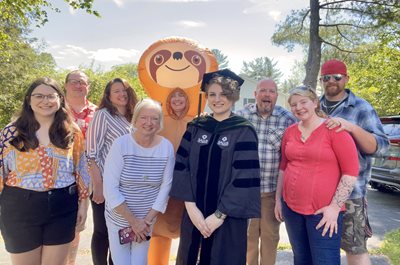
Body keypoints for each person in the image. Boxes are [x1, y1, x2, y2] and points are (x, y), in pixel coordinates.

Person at [170, 69, 261, 265]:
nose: (217, 99)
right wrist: (191, 207)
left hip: (227, 218)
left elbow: (244, 177)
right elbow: (181, 166)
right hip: (194, 214)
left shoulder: (243, 131)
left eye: (223, 94)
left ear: (234, 97)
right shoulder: (195, 127)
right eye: (212, 94)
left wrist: (218, 216)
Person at [0, 77, 90, 265]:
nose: (45, 101)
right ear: (29, 100)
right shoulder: (11, 132)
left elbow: (80, 168)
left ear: (60, 99)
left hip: (62, 206)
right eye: (39, 96)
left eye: (51, 96)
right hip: (20, 207)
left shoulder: (71, 131)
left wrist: (83, 204)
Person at [274, 85, 359, 265]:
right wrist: (278, 201)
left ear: (315, 103)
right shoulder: (290, 132)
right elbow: (283, 166)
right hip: (291, 209)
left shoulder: (334, 130)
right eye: (294, 104)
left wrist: (334, 208)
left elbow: (350, 172)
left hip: (323, 213)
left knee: (325, 261)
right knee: (301, 259)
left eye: (303, 102)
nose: (298, 107)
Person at [319, 59, 389, 265]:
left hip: (351, 194)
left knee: (355, 250)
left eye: (337, 77)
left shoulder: (361, 108)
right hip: (319, 194)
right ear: (321, 80)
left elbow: (382, 147)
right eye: (326, 77)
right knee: (322, 250)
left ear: (346, 78)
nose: (331, 81)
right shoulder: (314, 107)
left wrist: (351, 127)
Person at [103, 98, 174, 265]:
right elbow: (110, 188)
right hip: (119, 219)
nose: (148, 122)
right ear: (135, 119)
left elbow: (166, 187)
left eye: (154, 118)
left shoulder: (166, 148)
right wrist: (133, 221)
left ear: (160, 122)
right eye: (143, 117)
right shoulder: (121, 145)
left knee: (139, 262)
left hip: (147, 220)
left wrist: (145, 222)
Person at [236, 78, 296, 265]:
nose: (267, 95)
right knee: (248, 240)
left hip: (272, 194)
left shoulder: (287, 119)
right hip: (247, 192)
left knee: (270, 239)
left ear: (277, 96)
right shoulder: (241, 117)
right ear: (255, 94)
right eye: (263, 91)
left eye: (271, 91)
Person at [86, 78, 138, 265]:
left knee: (120, 231)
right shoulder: (102, 115)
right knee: (102, 231)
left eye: (124, 90)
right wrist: (98, 186)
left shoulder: (134, 117)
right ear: (108, 95)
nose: (121, 94)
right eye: (116, 90)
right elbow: (91, 153)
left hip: (128, 185)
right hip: (105, 184)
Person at [148, 87, 192, 265]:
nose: (177, 99)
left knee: (189, 229)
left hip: (187, 184)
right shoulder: (159, 122)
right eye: (173, 96)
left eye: (181, 95)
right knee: (159, 230)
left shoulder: (196, 121)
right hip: (162, 184)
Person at [64, 69, 97, 265]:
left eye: (82, 82)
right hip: (64, 173)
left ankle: (71, 261)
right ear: (66, 85)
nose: (78, 85)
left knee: (83, 223)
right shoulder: (54, 108)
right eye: (74, 81)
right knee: (67, 221)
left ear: (88, 87)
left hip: (94, 173)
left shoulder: (98, 111)